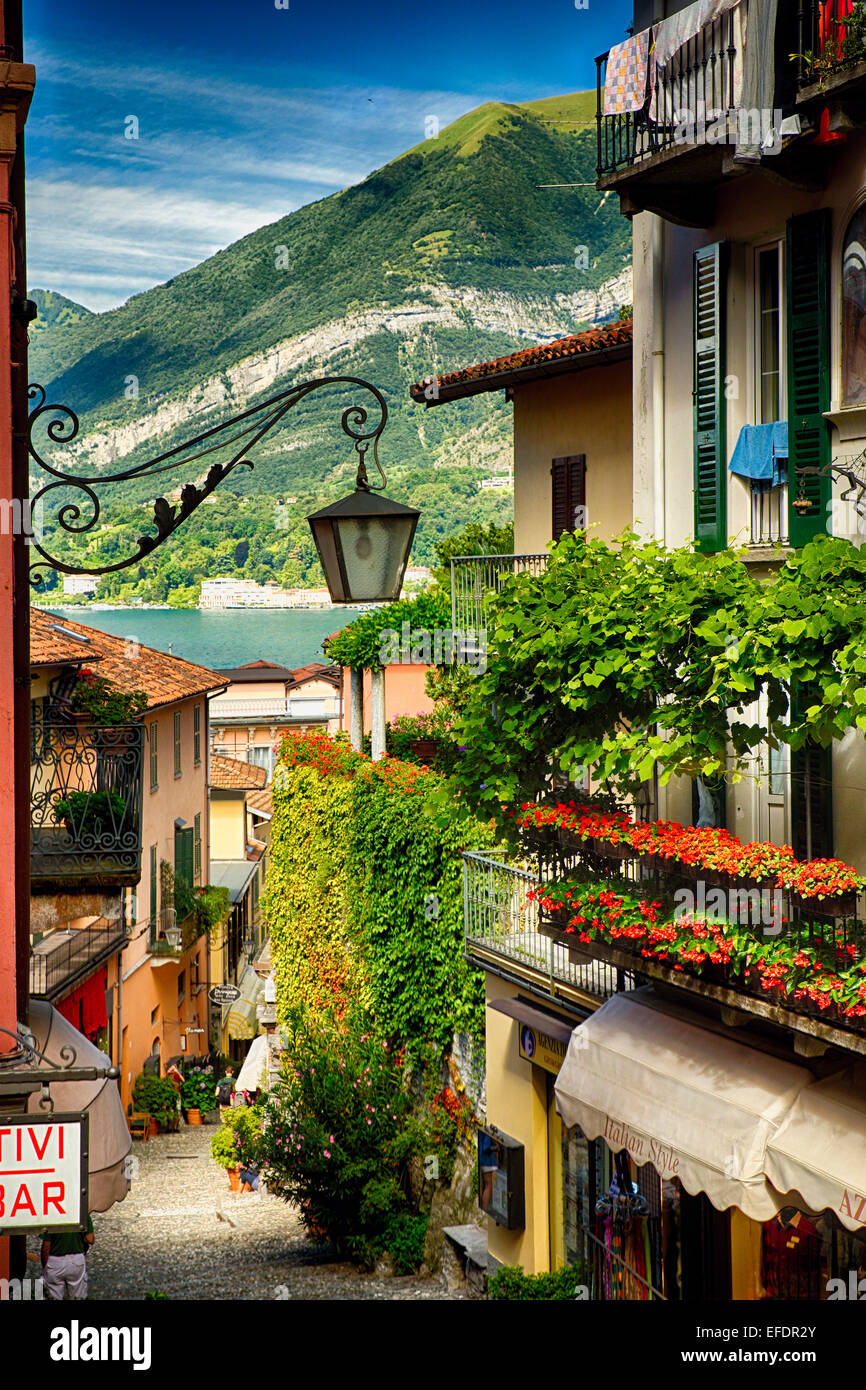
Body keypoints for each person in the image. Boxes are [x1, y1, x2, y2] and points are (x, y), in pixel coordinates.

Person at [41, 1214, 94, 1300]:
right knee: (78, 1297)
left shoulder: (51, 1215)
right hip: (76, 1260)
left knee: (52, 1297)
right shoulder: (82, 1213)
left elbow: (46, 1247)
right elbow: (90, 1239)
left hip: (54, 1261)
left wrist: (44, 1267)